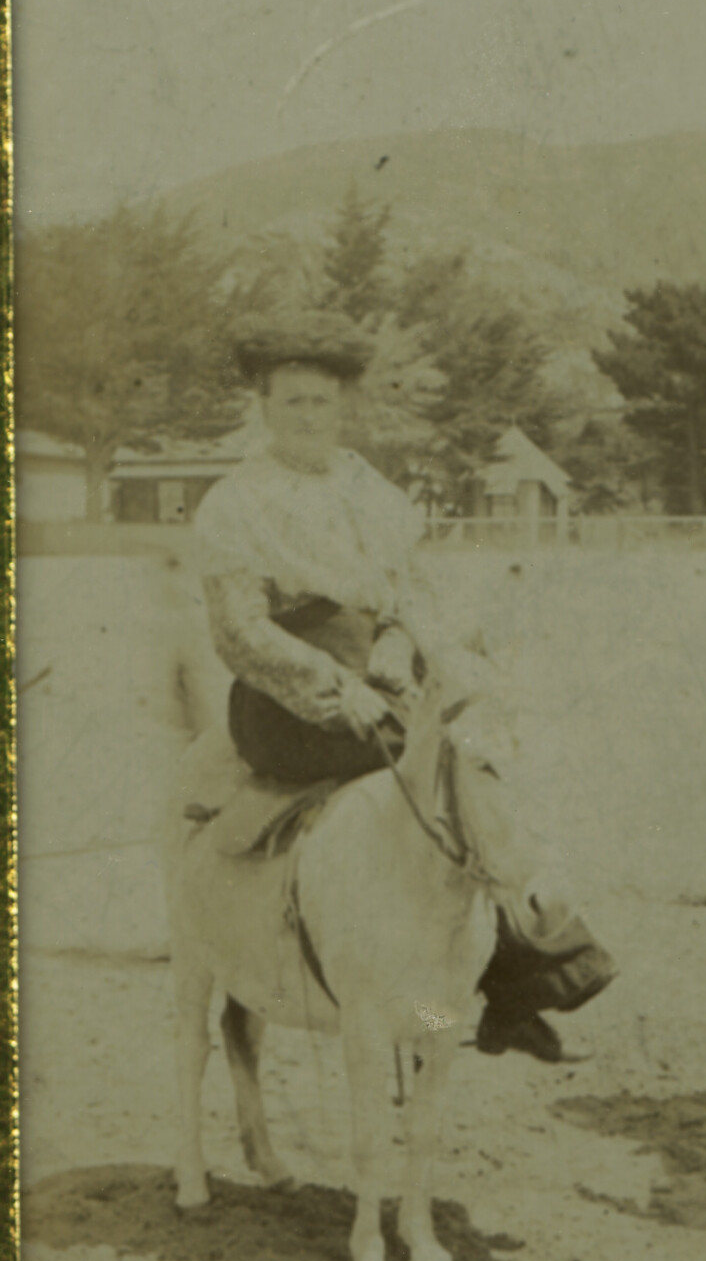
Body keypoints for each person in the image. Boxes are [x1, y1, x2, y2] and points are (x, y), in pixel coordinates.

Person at [192, 311, 616, 1057]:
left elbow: (409, 591)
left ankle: (483, 992)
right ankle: (510, 981)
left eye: (321, 401)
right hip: (286, 699)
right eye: (292, 401)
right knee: (446, 778)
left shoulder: (369, 488)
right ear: (264, 407)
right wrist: (334, 685)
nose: (309, 416)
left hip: (383, 682)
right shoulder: (236, 502)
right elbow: (240, 631)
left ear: (342, 406)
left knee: (483, 760)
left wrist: (394, 643)